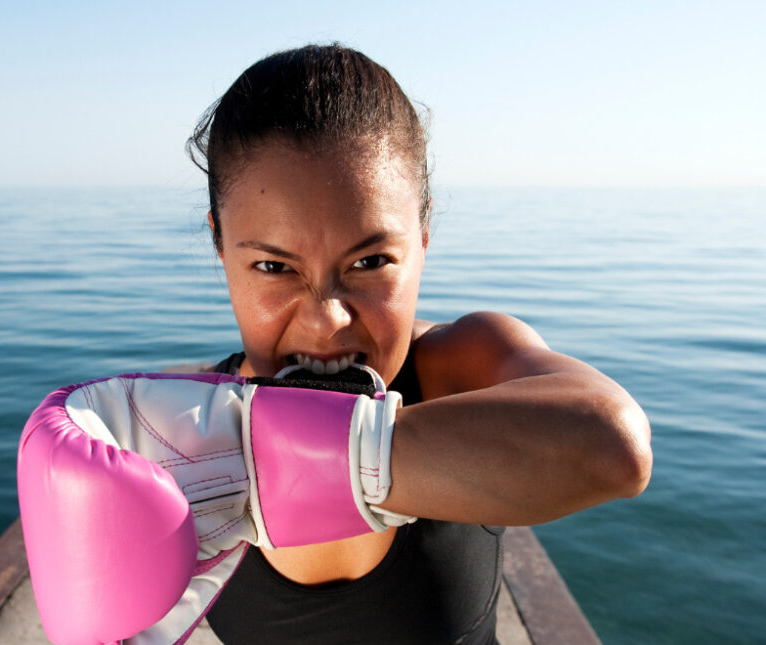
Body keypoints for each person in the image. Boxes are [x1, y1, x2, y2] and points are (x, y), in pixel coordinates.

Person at [184, 44, 653, 643]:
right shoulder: (182, 433)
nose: (327, 320)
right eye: (275, 268)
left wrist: (294, 458)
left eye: (371, 260)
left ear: (424, 233)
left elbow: (615, 447)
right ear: (221, 244)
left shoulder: (460, 367)